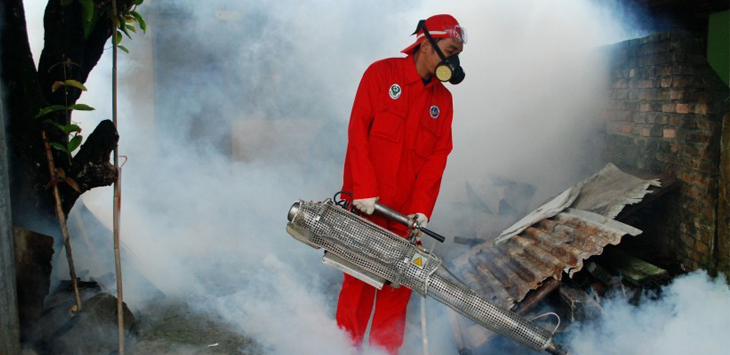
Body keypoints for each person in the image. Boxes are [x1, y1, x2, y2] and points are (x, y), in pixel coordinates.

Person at [336, 14, 466, 354]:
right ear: (426, 44)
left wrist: (422, 209)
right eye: (450, 50)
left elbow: (437, 158)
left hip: (406, 217)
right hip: (369, 206)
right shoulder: (382, 74)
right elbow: (357, 131)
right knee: (359, 284)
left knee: (397, 289)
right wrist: (362, 188)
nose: (454, 61)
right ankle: (345, 348)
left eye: (458, 54)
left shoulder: (443, 101)